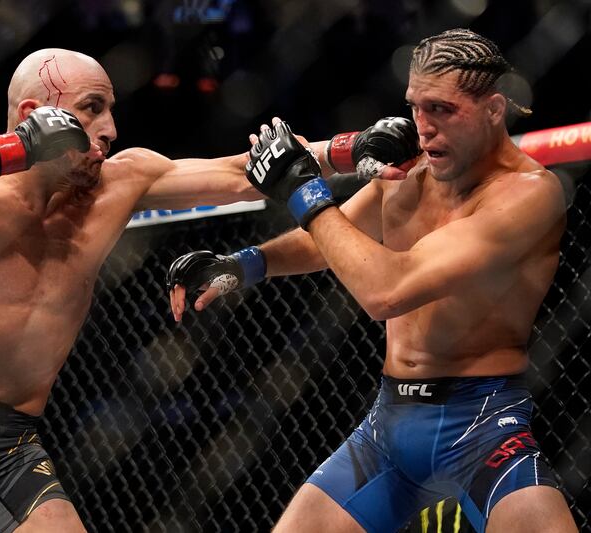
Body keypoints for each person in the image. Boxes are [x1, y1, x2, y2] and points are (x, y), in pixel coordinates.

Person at [0, 48, 390, 533]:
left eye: (111, 109)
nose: (110, 130)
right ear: (37, 115)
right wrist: (12, 148)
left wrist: (354, 146)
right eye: (92, 109)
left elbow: (247, 170)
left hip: (7, 447)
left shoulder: (121, 181)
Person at [166, 29, 578, 532]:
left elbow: (387, 290)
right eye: (415, 107)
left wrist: (301, 189)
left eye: (442, 109)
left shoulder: (529, 195)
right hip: (388, 425)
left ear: (494, 110)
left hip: (483, 427)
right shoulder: (415, 173)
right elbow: (330, 239)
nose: (422, 128)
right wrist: (242, 264)